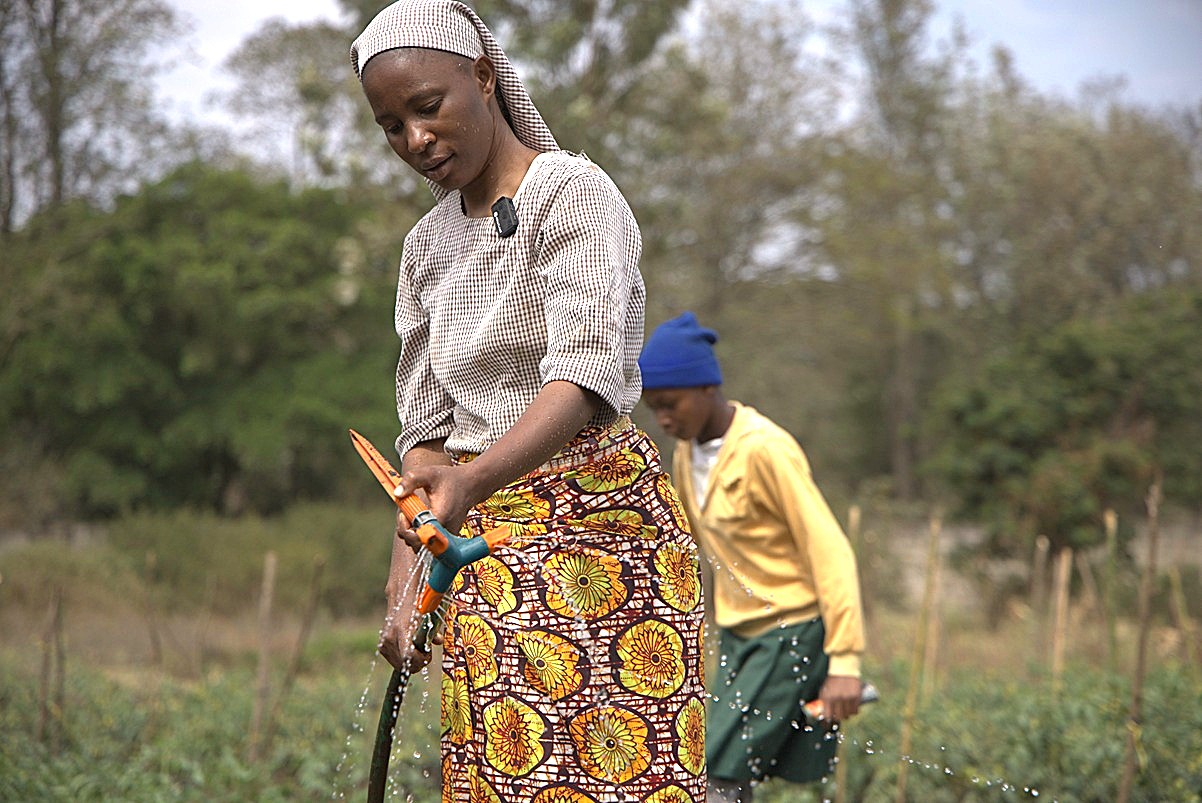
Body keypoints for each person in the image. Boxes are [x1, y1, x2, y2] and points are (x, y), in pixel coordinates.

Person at [349, 2, 707, 800]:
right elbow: (427, 433)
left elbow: (583, 380)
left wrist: (473, 483)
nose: (415, 140)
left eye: (427, 107)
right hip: (482, 554)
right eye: (390, 125)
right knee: (507, 772)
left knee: (625, 775)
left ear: (482, 77)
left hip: (602, 543)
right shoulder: (425, 249)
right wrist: (406, 568)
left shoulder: (573, 196)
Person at [639, 312, 866, 803]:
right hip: (741, 636)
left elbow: (830, 550)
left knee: (715, 766)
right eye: (653, 408)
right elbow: (690, 545)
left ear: (705, 388)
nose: (662, 419)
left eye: (669, 404)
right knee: (714, 765)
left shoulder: (765, 450)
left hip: (790, 630)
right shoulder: (688, 453)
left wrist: (845, 661)